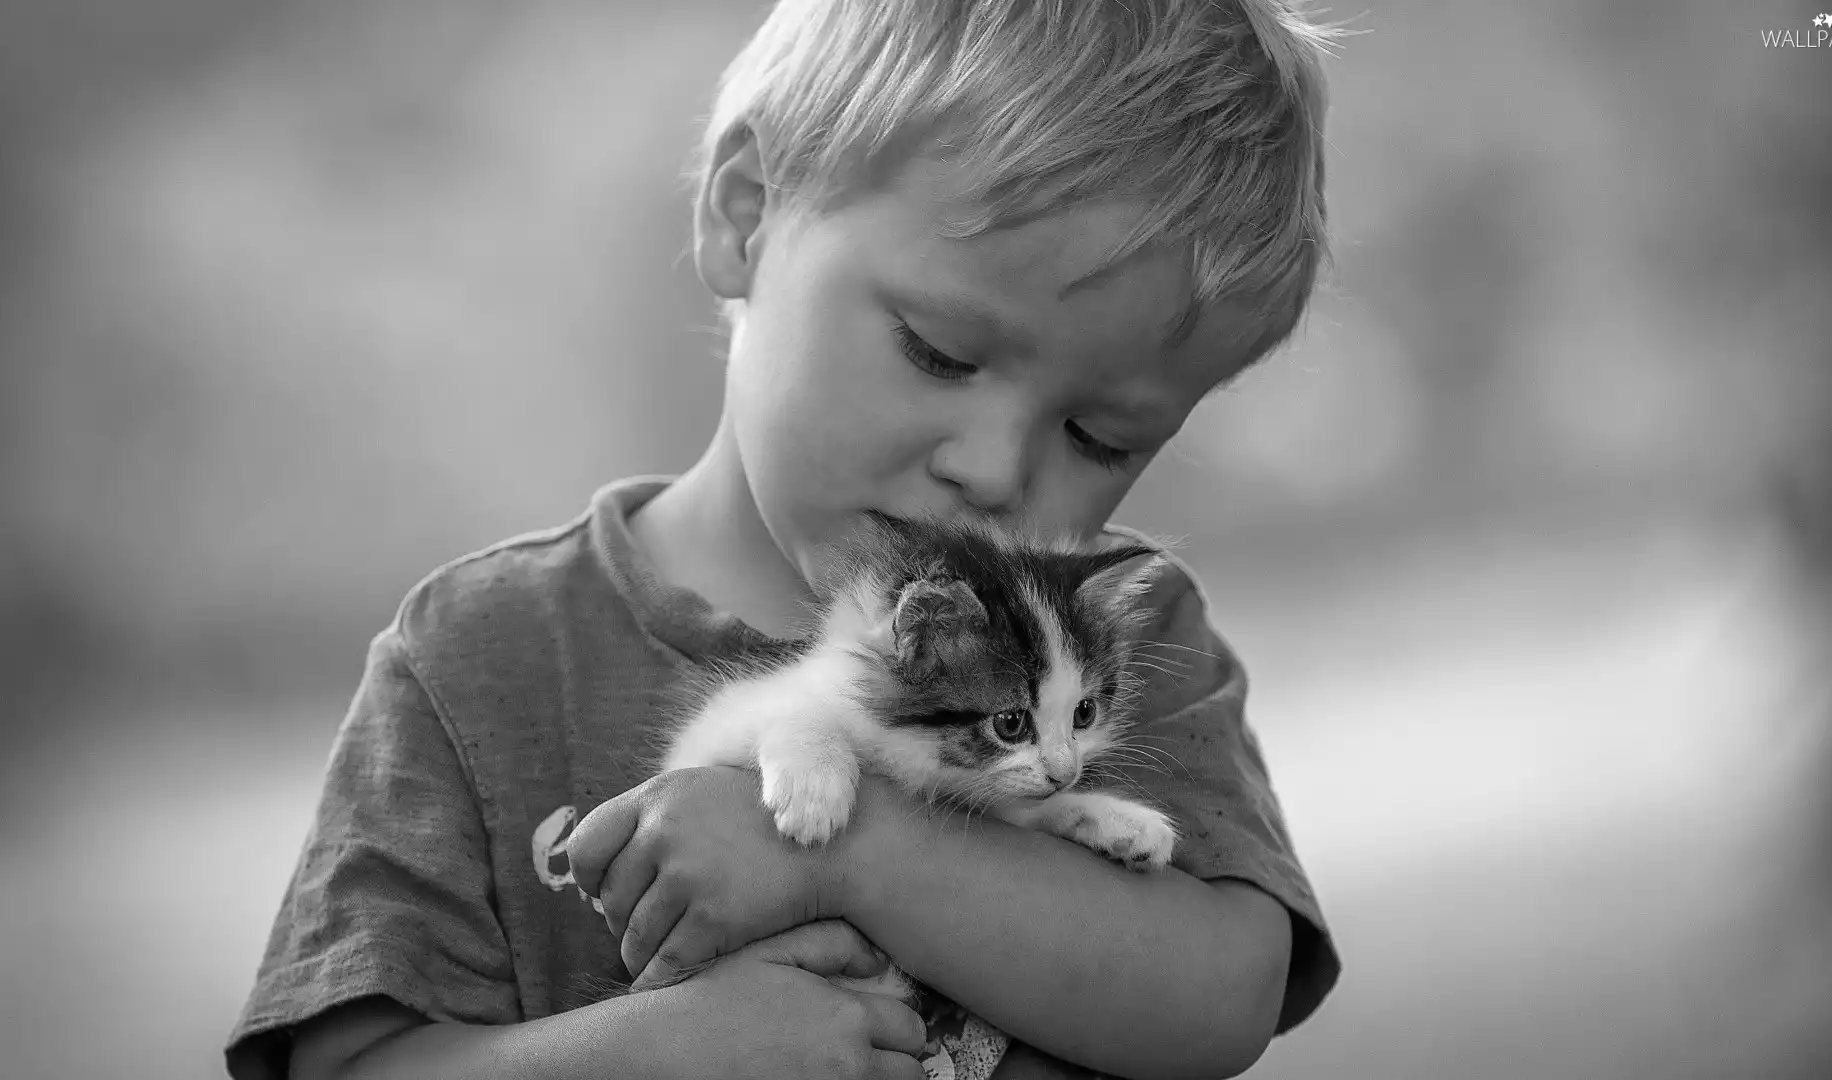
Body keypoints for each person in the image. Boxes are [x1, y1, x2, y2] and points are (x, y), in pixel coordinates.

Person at [226, 2, 1346, 1077]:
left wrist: (855, 855)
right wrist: (663, 1055)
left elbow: (1223, 1002)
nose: (996, 470)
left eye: (1100, 436)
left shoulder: (1123, 624)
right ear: (747, 214)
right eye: (941, 352)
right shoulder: (480, 656)